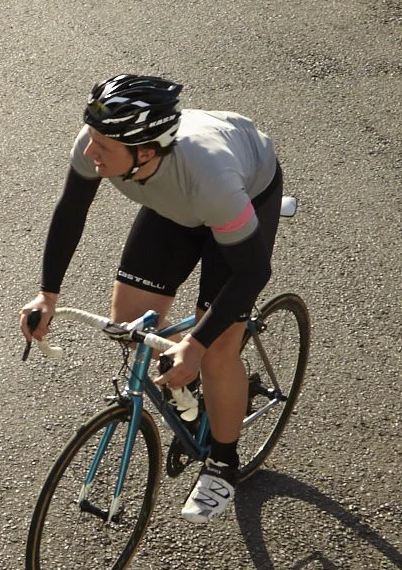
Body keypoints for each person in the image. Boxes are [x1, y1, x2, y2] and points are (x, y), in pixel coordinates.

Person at [19, 75, 284, 524]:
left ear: (144, 151)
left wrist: (196, 344)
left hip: (238, 195)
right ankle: (184, 387)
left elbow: (254, 272)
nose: (89, 151)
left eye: (103, 145)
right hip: (174, 207)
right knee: (129, 326)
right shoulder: (101, 140)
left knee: (218, 348)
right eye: (93, 138)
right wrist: (48, 293)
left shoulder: (211, 178)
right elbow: (70, 211)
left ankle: (223, 461)